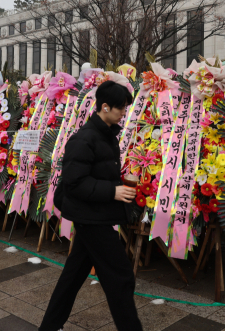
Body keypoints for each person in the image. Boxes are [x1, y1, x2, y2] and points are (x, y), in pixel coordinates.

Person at [39, 80, 143, 331]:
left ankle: (50, 326)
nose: (123, 113)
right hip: (90, 217)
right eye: (120, 109)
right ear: (104, 107)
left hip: (96, 214)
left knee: (73, 276)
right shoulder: (84, 139)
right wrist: (113, 191)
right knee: (120, 277)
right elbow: (75, 183)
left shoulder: (105, 135)